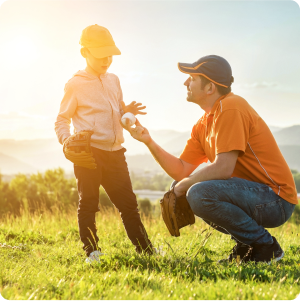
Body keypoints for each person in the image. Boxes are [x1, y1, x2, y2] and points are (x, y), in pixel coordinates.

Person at [123, 55, 298, 263]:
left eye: (192, 78)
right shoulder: (204, 123)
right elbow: (181, 170)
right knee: (183, 185)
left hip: (276, 200)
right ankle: (246, 244)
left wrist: (186, 185)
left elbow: (223, 168)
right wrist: (148, 141)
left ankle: (265, 246)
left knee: (197, 192)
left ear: (210, 88)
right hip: (254, 196)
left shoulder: (232, 107)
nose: (185, 82)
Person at [55, 24, 153, 263]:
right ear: (84, 53)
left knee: (129, 205)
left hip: (116, 152)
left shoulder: (114, 80)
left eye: (109, 54)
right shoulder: (75, 84)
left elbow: (116, 110)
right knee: (88, 204)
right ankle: (92, 252)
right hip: (88, 154)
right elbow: (61, 120)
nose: (106, 60)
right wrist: (67, 143)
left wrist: (125, 112)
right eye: (100, 55)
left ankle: (146, 250)